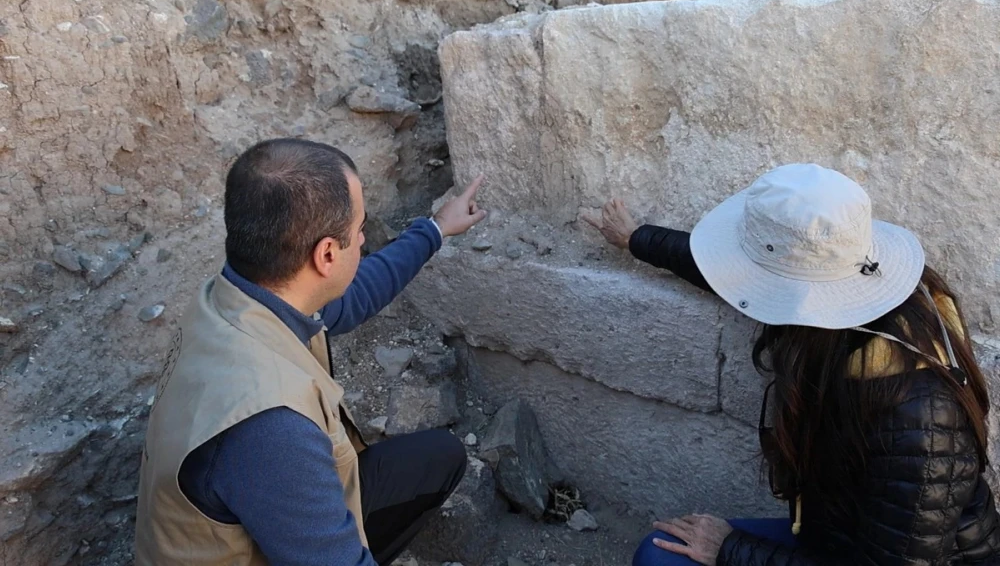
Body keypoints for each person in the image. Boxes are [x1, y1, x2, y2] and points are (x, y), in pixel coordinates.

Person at [584, 163, 1000, 565]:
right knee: (659, 550)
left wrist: (731, 550)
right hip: (833, 537)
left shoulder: (920, 421)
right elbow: (731, 273)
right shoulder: (847, 303)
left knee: (662, 559)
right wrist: (636, 238)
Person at [135, 138, 488, 566]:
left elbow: (353, 295)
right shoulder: (270, 427)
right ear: (326, 254)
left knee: (438, 457)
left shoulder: (237, 297)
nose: (362, 240)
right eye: (359, 230)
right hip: (269, 494)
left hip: (260, 500)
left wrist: (434, 230)